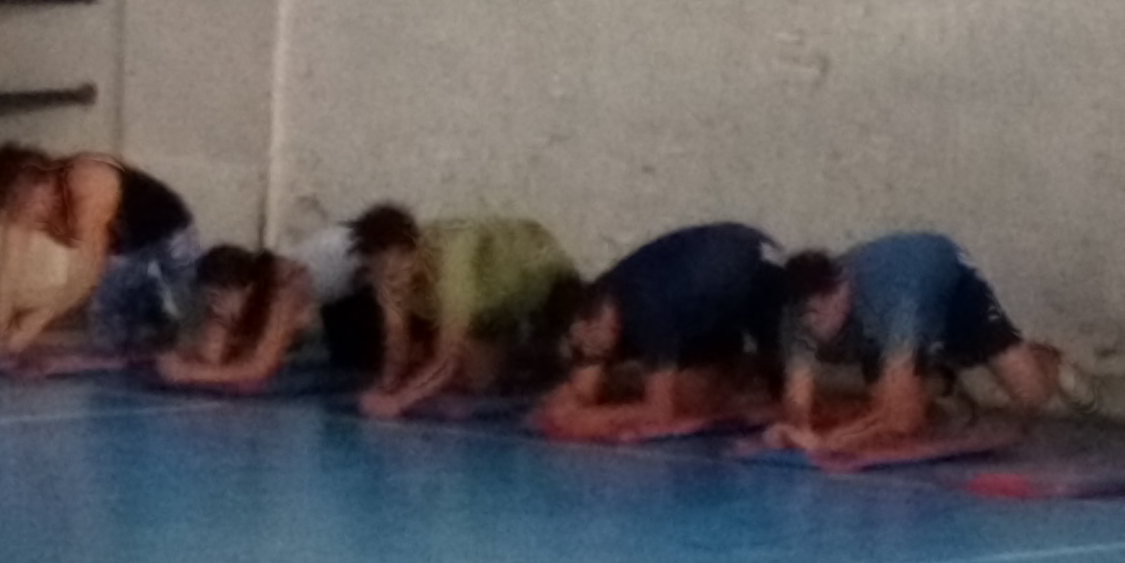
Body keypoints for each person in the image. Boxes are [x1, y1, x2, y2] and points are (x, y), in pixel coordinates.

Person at [771, 233, 1069, 456]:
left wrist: (828, 441)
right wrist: (793, 428)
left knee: (1032, 395)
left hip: (952, 289)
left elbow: (901, 420)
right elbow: (797, 399)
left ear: (841, 293)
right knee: (887, 400)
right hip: (886, 314)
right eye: (804, 318)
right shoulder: (798, 313)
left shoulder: (889, 300)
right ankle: (943, 380)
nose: (811, 328)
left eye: (818, 314)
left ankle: (1049, 358)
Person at [540, 221, 784, 440]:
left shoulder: (646, 308)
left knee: (689, 398)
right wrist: (569, 404)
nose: (587, 356)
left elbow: (660, 411)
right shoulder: (607, 297)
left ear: (591, 323)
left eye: (583, 347)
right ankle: (738, 377)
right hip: (714, 293)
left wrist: (595, 418)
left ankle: (748, 378)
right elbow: (585, 383)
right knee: (681, 390)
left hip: (756, 278)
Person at [343, 205, 584, 418]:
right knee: (476, 382)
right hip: (492, 305)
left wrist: (399, 401)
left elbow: (448, 357)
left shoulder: (454, 260)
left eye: (395, 270)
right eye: (380, 271)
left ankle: (537, 349)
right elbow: (396, 333)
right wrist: (385, 386)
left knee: (572, 379)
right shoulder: (386, 272)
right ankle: (514, 353)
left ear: (418, 249)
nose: (390, 280)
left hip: (545, 282)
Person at [0, 143, 201, 366]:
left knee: (197, 321)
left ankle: (155, 299)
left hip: (167, 231)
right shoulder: (21, 211)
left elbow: (86, 275)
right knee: (109, 339)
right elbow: (7, 277)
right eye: (17, 208)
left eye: (32, 202)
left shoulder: (89, 182)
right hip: (123, 250)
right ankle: (153, 309)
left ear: (46, 181)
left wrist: (34, 322)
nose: (32, 216)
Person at [152, 244, 318, 392]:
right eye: (209, 300)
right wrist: (179, 359)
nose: (214, 309)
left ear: (247, 289)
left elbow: (259, 368)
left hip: (327, 276)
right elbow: (211, 354)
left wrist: (189, 372)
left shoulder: (283, 291)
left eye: (218, 298)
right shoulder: (233, 298)